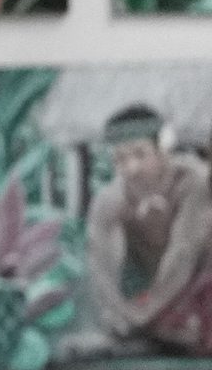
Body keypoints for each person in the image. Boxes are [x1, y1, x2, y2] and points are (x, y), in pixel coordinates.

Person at [83, 104, 212, 355]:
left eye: (140, 155)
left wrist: (143, 315)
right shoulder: (111, 199)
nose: (131, 168)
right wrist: (120, 314)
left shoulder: (192, 181)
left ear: (162, 151)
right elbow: (100, 264)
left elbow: (183, 254)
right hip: (149, 286)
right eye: (121, 158)